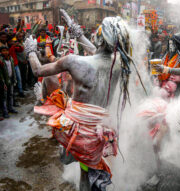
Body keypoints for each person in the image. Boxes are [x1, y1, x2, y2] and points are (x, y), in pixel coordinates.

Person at [25, 9, 145, 191]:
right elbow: (98, 52)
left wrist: (31, 51)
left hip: (76, 133)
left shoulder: (74, 62)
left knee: (52, 88)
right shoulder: (120, 65)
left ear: (100, 38)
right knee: (86, 169)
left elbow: (37, 71)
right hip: (99, 134)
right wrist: (78, 33)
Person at [153, 34, 180, 98]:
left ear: (179, 44)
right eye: (170, 44)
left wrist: (166, 69)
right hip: (168, 84)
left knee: (177, 102)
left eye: (173, 44)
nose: (170, 46)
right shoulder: (169, 54)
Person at [0, 46, 18, 118]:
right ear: (1, 52)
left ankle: (10, 108)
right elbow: (0, 73)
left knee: (10, 94)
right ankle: (5, 112)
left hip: (11, 79)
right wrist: (3, 82)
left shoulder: (10, 58)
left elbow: (13, 69)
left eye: (6, 50)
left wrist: (14, 78)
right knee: (4, 97)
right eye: (3, 51)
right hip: (4, 81)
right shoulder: (1, 60)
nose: (5, 52)